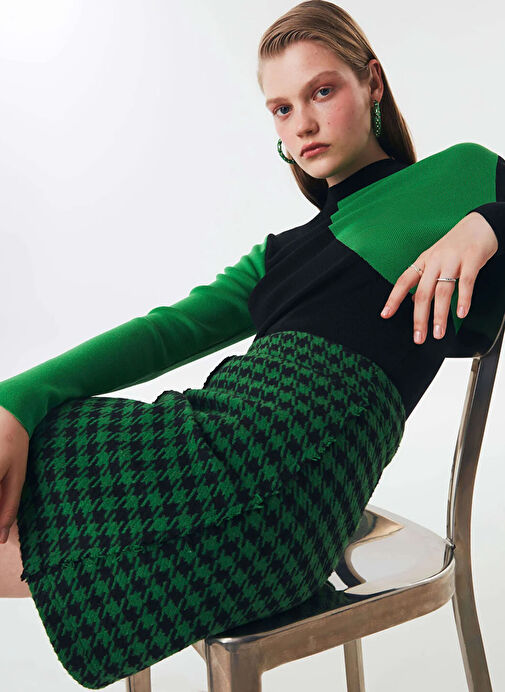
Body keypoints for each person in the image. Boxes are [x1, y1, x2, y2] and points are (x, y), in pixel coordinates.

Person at [0, 1, 503, 688]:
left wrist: (487, 224)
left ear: (372, 84)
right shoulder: (280, 256)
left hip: (282, 485)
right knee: (40, 431)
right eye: (281, 108)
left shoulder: (460, 175)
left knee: (51, 451)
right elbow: (164, 331)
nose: (302, 124)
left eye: (321, 91)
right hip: (219, 450)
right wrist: (18, 399)